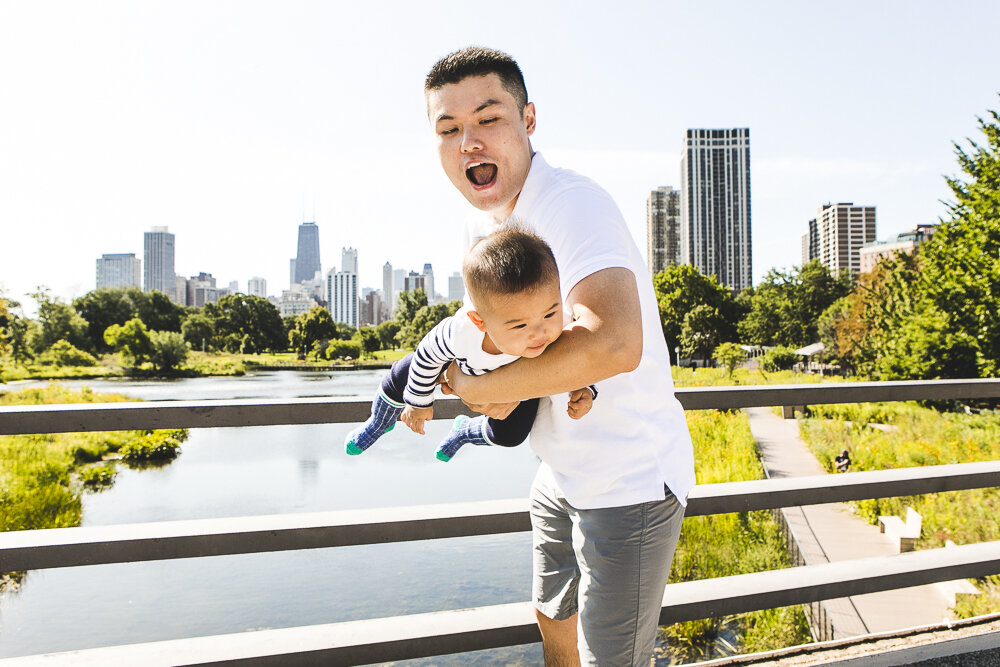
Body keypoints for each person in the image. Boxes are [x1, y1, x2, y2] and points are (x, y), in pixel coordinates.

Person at [424, 47, 697, 666]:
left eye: (488, 118)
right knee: (552, 621)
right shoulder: (484, 228)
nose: (468, 141)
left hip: (626, 479)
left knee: (613, 658)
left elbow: (615, 341)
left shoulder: (572, 204)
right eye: (448, 129)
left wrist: (489, 391)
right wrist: (458, 376)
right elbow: (488, 338)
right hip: (559, 472)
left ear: (529, 120)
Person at [345, 226, 596, 462]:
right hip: (465, 363)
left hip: (521, 386)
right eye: (520, 325)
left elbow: (579, 358)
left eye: (549, 313)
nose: (540, 333)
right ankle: (380, 420)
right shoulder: (461, 332)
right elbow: (426, 356)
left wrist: (585, 389)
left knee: (511, 436)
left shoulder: (560, 324)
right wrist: (419, 402)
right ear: (480, 321)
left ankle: (465, 430)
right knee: (405, 371)